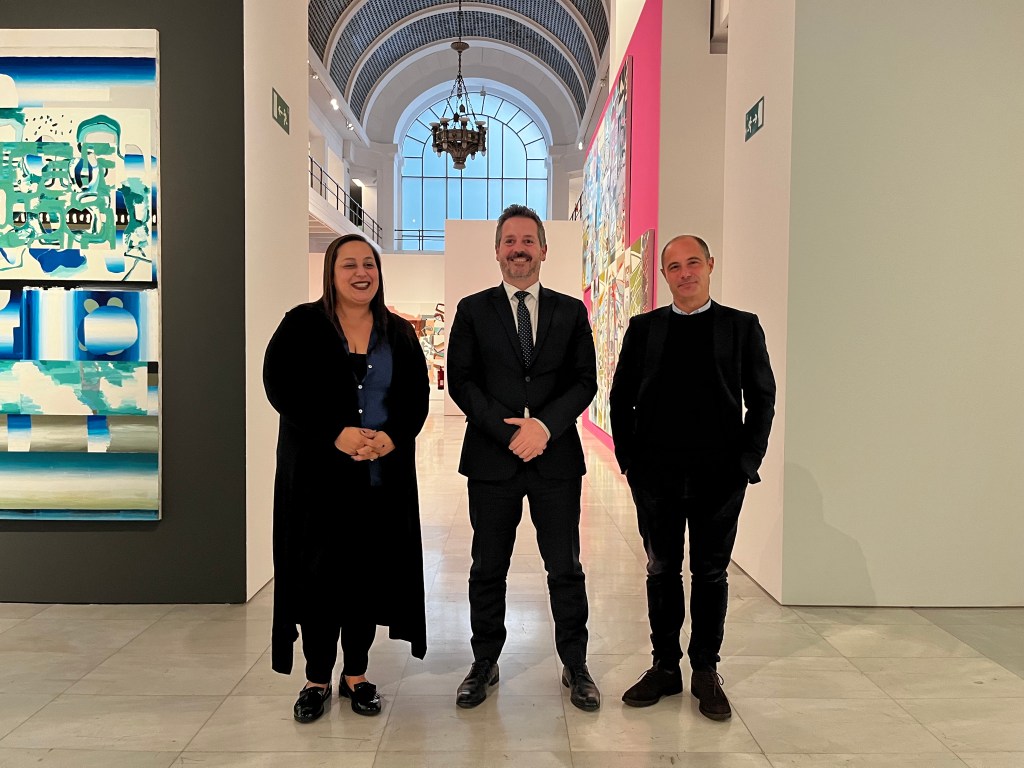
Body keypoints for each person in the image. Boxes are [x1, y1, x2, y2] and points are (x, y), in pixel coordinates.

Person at [263, 233, 429, 723]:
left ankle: (356, 674)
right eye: (349, 265)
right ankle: (316, 678)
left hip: (378, 481)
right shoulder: (301, 325)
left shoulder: (399, 333)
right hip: (316, 484)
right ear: (331, 274)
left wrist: (392, 438)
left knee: (364, 580)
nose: (361, 273)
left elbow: (416, 397)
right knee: (318, 581)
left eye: (369, 264)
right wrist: (334, 432)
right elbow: (280, 387)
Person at [608, 234, 775, 720]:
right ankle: (665, 666)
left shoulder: (740, 326)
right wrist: (629, 461)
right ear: (664, 275)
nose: (685, 273)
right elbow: (621, 397)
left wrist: (746, 463)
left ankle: (704, 668)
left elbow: (762, 399)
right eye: (675, 266)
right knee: (661, 570)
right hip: (655, 476)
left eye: (693, 263)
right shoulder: (643, 328)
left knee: (710, 573)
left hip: (719, 477)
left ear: (710, 265)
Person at [447, 204, 601, 712]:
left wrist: (545, 427)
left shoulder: (570, 311)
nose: (519, 249)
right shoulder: (472, 310)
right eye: (510, 241)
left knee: (566, 567)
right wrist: (509, 431)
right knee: (488, 567)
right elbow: (462, 381)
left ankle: (576, 664)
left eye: (528, 241)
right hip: (493, 460)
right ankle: (484, 662)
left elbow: (585, 380)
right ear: (497, 250)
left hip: (556, 461)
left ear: (543, 250)